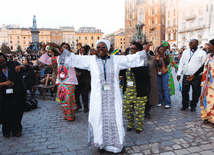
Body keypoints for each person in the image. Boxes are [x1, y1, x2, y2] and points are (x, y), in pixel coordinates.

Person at [48, 39, 148, 154]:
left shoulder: (116, 59)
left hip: (114, 97)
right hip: (98, 97)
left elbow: (130, 59)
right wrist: (59, 48)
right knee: (98, 118)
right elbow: (75, 59)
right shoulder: (91, 60)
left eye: (103, 47)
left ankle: (117, 144)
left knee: (115, 118)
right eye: (98, 47)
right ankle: (101, 143)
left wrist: (144, 51)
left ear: (108, 48)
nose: (100, 49)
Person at [39, 43, 78, 121]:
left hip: (70, 81)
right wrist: (44, 50)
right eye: (62, 48)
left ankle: (71, 115)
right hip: (61, 82)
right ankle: (66, 115)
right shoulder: (58, 58)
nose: (63, 49)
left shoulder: (72, 57)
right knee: (63, 99)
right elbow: (46, 60)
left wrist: (55, 45)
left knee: (70, 99)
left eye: (66, 48)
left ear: (69, 50)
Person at [121, 42, 150, 133]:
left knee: (139, 112)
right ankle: (130, 124)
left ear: (139, 51)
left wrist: (133, 65)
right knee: (127, 109)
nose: (131, 50)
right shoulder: (127, 61)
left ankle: (139, 126)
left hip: (139, 92)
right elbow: (121, 73)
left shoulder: (143, 62)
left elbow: (144, 76)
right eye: (130, 49)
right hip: (128, 92)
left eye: (133, 49)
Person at [0, 53, 29, 138]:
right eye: (0, 63)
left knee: (17, 111)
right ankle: (6, 130)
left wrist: (21, 67)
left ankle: (17, 130)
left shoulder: (12, 64)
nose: (3, 64)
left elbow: (27, 68)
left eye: (3, 61)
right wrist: (3, 83)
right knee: (5, 113)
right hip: (3, 96)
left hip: (17, 93)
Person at [177, 39, 206, 112]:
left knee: (196, 92)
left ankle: (193, 105)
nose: (190, 44)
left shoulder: (202, 53)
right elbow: (181, 63)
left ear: (197, 44)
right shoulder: (185, 52)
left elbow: (203, 65)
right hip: (186, 75)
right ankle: (185, 104)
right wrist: (179, 73)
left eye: (192, 43)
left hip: (196, 76)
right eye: (190, 43)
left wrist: (196, 75)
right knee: (184, 91)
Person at [200, 39, 214, 127]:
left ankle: (212, 119)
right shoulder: (208, 55)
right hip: (206, 83)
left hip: (213, 84)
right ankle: (206, 117)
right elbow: (203, 67)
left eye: (209, 45)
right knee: (205, 100)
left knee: (212, 101)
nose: (207, 47)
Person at [75, 46, 90, 113]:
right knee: (76, 93)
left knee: (85, 94)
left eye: (83, 50)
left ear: (86, 51)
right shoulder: (79, 57)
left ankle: (86, 107)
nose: (82, 52)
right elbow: (76, 65)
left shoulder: (88, 58)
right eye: (81, 50)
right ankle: (78, 105)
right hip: (78, 77)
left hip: (85, 77)